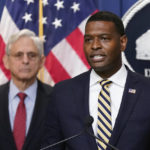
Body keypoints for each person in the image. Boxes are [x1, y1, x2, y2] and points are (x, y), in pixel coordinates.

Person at [41, 11, 150, 150]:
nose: (95, 46)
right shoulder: (63, 93)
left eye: (104, 38)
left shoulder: (146, 91)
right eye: (88, 39)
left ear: (122, 42)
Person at [0, 29, 53, 150]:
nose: (25, 61)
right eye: (18, 55)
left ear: (41, 62)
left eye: (32, 55)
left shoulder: (56, 99)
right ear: (6, 61)